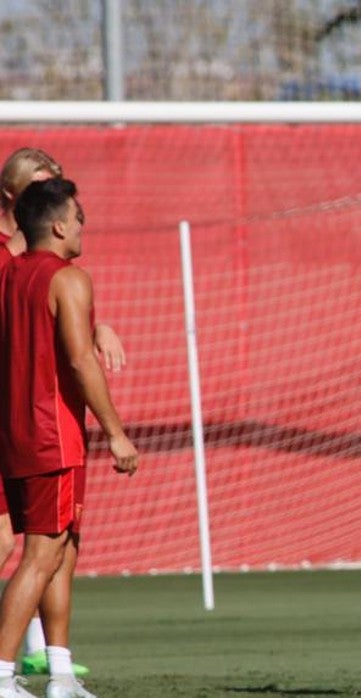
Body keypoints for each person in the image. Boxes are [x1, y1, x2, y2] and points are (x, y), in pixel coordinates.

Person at [0, 179, 139, 698]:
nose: (83, 227)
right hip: (52, 434)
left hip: (15, 432)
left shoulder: (10, 274)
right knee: (41, 554)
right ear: (58, 225)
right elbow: (81, 361)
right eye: (79, 218)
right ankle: (1, 675)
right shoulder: (69, 278)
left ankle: (60, 675)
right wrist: (117, 434)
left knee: (60, 548)